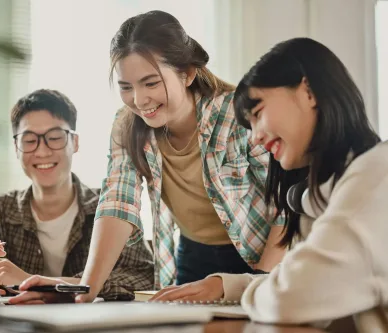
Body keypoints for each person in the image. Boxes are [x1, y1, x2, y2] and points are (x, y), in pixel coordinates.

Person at [43, 9, 283, 303]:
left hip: (262, 253)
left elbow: (286, 208)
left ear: (187, 73)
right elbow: (117, 203)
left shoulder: (238, 115)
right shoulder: (127, 126)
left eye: (151, 83)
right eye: (126, 87)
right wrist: (85, 291)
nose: (139, 100)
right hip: (195, 254)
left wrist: (260, 282)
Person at [153, 37, 388, 330]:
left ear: (308, 91)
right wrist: (229, 286)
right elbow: (316, 285)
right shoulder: (326, 194)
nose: (255, 138)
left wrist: (249, 292)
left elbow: (292, 298)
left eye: (258, 113)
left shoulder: (376, 178)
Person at [0, 89, 154, 301]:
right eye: (29, 140)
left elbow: (145, 278)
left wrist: (36, 284)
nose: (42, 151)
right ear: (16, 148)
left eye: (54, 137)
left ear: (74, 142)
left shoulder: (107, 210)